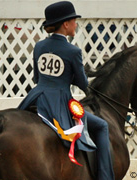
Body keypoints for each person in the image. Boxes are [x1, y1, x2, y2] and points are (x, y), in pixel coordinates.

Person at [18, 1, 115, 179]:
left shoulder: (39, 46)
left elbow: (37, 78)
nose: (76, 24)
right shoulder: (73, 51)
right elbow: (83, 83)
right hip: (59, 103)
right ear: (66, 24)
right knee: (102, 126)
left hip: (36, 98)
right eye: (74, 21)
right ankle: (105, 176)